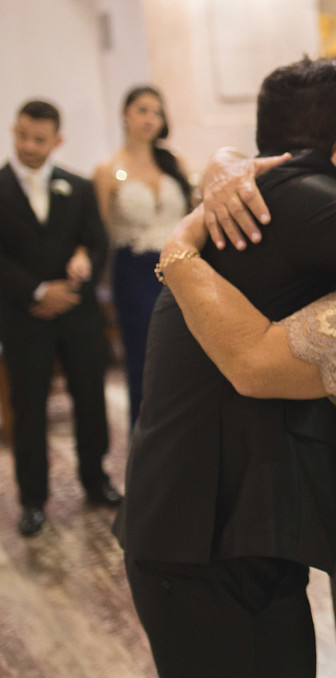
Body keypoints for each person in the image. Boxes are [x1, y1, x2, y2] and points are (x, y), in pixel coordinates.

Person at [113, 56, 336, 678]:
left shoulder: (269, 193)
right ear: (319, 140)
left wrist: (221, 166)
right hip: (206, 542)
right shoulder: (300, 197)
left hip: (211, 529)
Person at [0, 99, 120, 538]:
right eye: (23, 136)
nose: (30, 146)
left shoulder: (79, 186)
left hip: (77, 312)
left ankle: (96, 480)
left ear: (57, 140)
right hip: (23, 315)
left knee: (90, 398)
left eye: (40, 139)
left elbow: (97, 242)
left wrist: (84, 262)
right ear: (14, 130)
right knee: (29, 407)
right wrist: (37, 291)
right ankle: (33, 498)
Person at [92, 86, 191, 428]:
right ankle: (145, 436)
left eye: (157, 112)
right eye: (142, 110)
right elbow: (98, 234)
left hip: (182, 268)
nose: (150, 118)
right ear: (125, 114)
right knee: (145, 358)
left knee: (186, 355)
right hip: (135, 270)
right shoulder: (108, 170)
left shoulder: (172, 162)